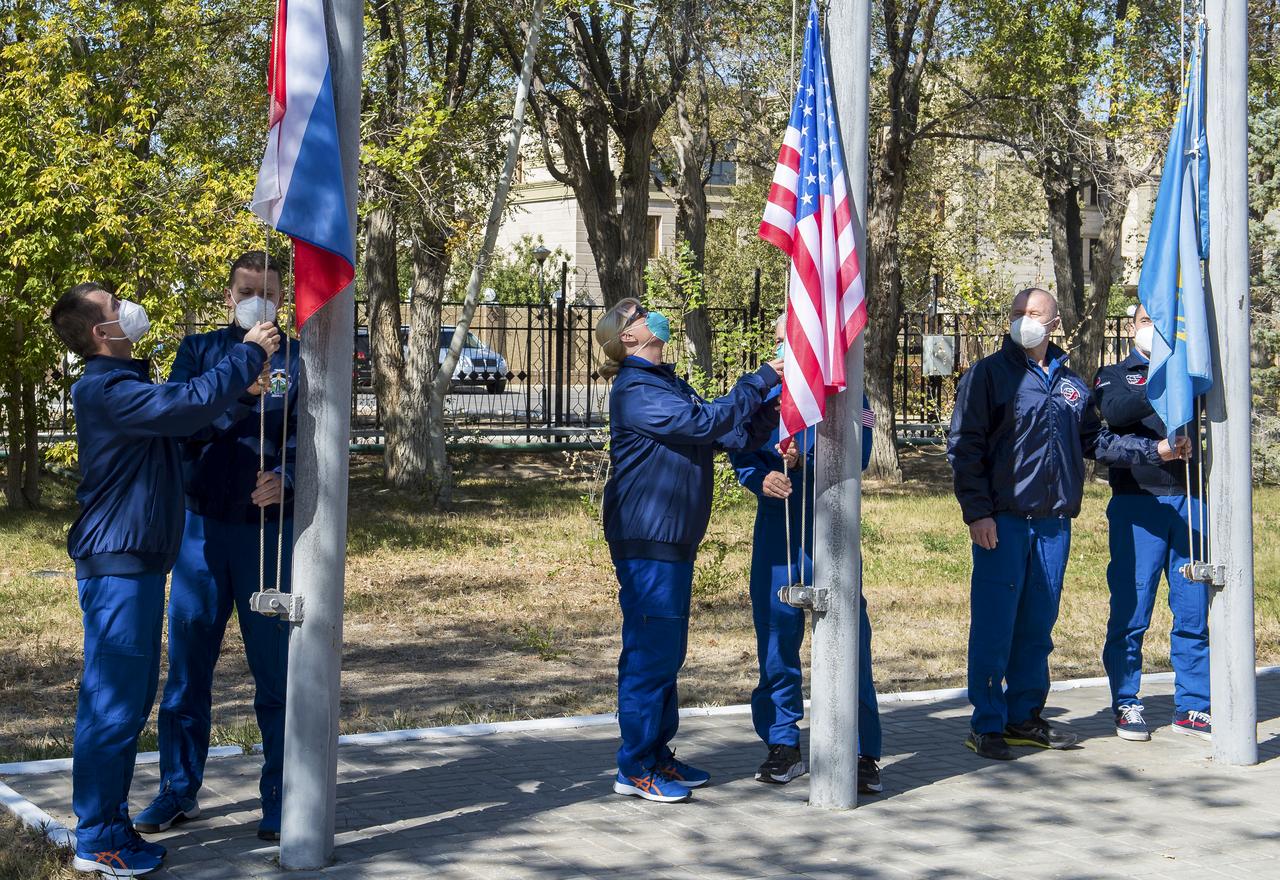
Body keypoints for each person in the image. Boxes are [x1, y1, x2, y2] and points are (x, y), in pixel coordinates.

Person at [50, 282, 278, 876]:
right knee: (113, 705)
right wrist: (248, 353)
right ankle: (98, 837)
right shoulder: (104, 388)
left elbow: (188, 408)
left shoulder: (122, 385)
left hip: (137, 561)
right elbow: (184, 405)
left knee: (125, 699)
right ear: (103, 332)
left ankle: (109, 824)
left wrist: (236, 384)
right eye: (115, 306)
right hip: (120, 563)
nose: (129, 309)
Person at [947, 287, 1186, 761]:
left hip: (1054, 524)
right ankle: (987, 723)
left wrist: (1153, 451)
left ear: (1053, 322)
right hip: (1004, 521)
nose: (1022, 320)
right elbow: (965, 446)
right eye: (1016, 312)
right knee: (996, 626)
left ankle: (1024, 717)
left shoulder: (1071, 383)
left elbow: (1096, 442)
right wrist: (978, 513)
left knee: (1037, 625)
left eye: (1033, 313)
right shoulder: (989, 375)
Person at [135, 252, 299, 842]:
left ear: (284, 297)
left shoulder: (303, 359)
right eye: (248, 290)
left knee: (275, 674)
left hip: (266, 539)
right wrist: (239, 376)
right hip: (201, 535)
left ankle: (281, 797)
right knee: (188, 671)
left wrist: (289, 479)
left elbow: (316, 437)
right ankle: (178, 789)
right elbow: (180, 424)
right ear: (230, 296)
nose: (259, 300)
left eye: (269, 292)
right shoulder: (201, 352)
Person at [597, 298, 781, 803]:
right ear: (627, 338)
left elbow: (724, 429)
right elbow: (703, 423)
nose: (652, 316)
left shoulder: (664, 384)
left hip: (671, 538)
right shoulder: (635, 389)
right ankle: (634, 766)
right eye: (639, 315)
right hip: (648, 539)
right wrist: (762, 377)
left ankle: (657, 755)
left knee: (666, 651)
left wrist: (770, 404)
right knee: (650, 653)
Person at [729, 315, 882, 792]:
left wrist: (807, 460)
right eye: (777, 342)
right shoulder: (761, 389)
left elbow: (857, 454)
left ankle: (859, 751)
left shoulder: (842, 388)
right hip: (779, 527)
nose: (780, 352)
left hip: (830, 523)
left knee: (847, 635)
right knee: (777, 634)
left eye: (789, 342)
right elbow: (738, 450)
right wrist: (762, 477)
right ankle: (782, 743)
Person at [1093, 303, 1209, 741]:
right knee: (1132, 609)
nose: (1152, 330)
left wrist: (1183, 374)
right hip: (1137, 504)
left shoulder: (1193, 372)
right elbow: (1117, 413)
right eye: (1145, 322)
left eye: (1161, 323)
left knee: (1193, 609)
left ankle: (1194, 706)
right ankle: (1126, 700)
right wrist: (1164, 381)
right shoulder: (1115, 375)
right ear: (1132, 327)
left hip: (1189, 503)